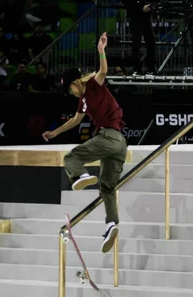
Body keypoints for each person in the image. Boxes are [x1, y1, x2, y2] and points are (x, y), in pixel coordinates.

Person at [42, 32, 128, 253]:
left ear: (76, 83)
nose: (70, 93)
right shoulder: (82, 101)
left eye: (70, 89)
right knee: (107, 187)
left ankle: (80, 175)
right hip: (119, 144)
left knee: (71, 157)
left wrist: (101, 51)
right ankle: (111, 225)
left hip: (108, 136)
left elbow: (103, 71)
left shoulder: (93, 85)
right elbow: (75, 120)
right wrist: (55, 133)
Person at [122, 0, 157, 75]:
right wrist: (140, 8)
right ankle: (137, 68)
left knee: (151, 42)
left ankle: (150, 67)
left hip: (146, 17)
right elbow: (126, 0)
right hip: (136, 16)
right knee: (136, 44)